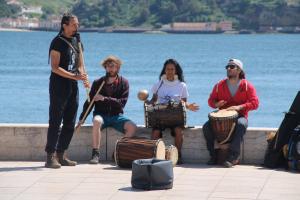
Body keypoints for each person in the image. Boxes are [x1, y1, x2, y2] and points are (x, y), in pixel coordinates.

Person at [45, 13, 89, 168]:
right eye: (74, 24)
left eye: (77, 24)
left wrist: (82, 75)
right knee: (56, 120)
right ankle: (50, 156)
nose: (77, 27)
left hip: (73, 86)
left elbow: (80, 63)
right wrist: (74, 76)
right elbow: (55, 68)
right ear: (64, 25)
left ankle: (61, 153)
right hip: (59, 85)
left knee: (70, 121)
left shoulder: (77, 41)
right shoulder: (57, 42)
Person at [76, 55, 136, 164]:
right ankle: (95, 154)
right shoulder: (98, 82)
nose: (111, 69)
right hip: (101, 114)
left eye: (114, 66)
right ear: (105, 67)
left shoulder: (124, 83)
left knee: (132, 127)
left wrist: (104, 99)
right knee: (96, 121)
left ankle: (117, 151)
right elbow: (89, 102)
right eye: (109, 66)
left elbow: (121, 104)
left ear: (118, 68)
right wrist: (82, 119)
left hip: (116, 116)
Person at [203, 58, 259, 168]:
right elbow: (211, 100)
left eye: (232, 67)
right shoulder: (219, 85)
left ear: (239, 70)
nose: (229, 69)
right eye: (227, 67)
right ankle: (213, 155)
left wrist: (239, 107)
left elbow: (255, 103)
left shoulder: (247, 86)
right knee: (206, 127)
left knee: (241, 125)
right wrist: (216, 104)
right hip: (221, 116)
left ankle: (233, 157)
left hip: (240, 115)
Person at [147, 59, 199, 164]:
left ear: (176, 71)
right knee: (155, 132)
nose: (169, 71)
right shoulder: (158, 84)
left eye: (172, 69)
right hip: (161, 117)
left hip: (176, 118)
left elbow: (184, 103)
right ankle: (153, 155)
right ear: (164, 70)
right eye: (167, 69)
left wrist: (189, 106)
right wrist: (148, 102)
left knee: (178, 132)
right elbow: (153, 100)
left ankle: (177, 156)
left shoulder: (182, 85)